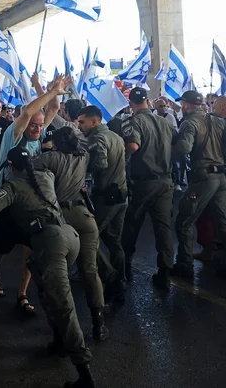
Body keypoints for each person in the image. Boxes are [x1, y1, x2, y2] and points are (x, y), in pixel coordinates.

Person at [0, 147, 95, 388]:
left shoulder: (13, 185)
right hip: (69, 236)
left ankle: (85, 375)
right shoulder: (45, 176)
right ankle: (59, 341)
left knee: (64, 305)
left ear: (11, 167)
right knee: (46, 289)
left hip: (50, 242)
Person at [0, 76, 70, 316]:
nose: (38, 129)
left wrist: (53, 91)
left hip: (28, 203)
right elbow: (30, 111)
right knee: (1, 248)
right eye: (34, 125)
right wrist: (44, 91)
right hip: (5, 201)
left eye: (41, 125)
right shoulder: (14, 135)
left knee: (30, 249)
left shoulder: (39, 137)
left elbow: (51, 108)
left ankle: (22, 293)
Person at [34, 127, 108, 342]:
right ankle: (99, 324)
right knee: (90, 271)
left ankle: (64, 330)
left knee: (59, 277)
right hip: (84, 216)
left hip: (60, 219)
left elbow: (26, 169)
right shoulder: (83, 156)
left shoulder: (49, 158)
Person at [172, 90, 226, 281]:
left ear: (187, 105)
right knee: (224, 222)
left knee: (184, 221)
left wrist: (169, 154)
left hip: (203, 178)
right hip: (222, 176)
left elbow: (184, 148)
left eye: (183, 104)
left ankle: (185, 265)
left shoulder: (189, 123)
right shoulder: (218, 121)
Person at [120, 87, 177, 289]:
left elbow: (133, 146)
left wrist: (122, 160)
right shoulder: (164, 122)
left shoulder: (133, 122)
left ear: (131, 104)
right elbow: (178, 146)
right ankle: (165, 272)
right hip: (165, 180)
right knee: (163, 227)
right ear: (148, 101)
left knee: (132, 223)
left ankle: (125, 266)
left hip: (143, 182)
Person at [77, 105, 128, 303]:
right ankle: (120, 278)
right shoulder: (115, 136)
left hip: (106, 196)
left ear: (94, 121)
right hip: (121, 194)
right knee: (113, 240)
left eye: (82, 122)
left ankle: (111, 277)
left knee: (88, 239)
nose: (79, 125)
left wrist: (82, 167)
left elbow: (101, 163)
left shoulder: (97, 138)